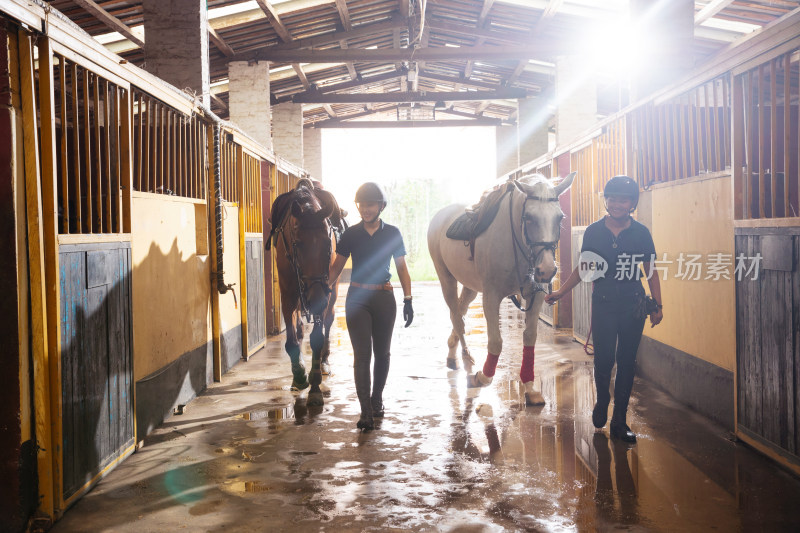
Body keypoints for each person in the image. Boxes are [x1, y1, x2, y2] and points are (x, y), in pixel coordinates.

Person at [545, 175, 663, 443]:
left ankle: (620, 420)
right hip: (604, 304)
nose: (617, 203)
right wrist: (562, 292)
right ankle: (602, 401)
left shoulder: (641, 233)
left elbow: (651, 271)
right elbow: (584, 267)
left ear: (632, 203)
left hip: (633, 306)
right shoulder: (594, 232)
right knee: (604, 359)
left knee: (626, 362)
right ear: (606, 200)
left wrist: (657, 305)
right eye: (612, 198)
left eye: (623, 199)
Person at [329, 182, 413, 430]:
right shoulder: (350, 234)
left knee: (383, 353)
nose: (365, 209)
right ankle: (365, 410)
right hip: (357, 298)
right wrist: (323, 290)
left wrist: (408, 299)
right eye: (362, 205)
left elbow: (401, 268)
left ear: (381, 206)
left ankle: (377, 399)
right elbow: (336, 268)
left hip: (384, 298)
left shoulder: (393, 233)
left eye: (370, 205)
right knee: (362, 354)